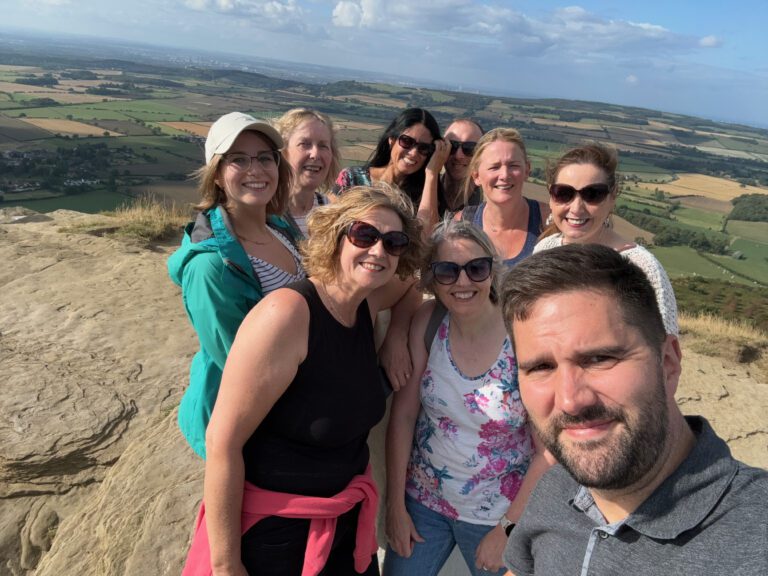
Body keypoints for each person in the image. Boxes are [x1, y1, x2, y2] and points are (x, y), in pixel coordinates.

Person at [181, 183, 425, 576]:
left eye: (393, 242)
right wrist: (227, 564)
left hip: (343, 522)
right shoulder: (287, 315)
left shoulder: (364, 304)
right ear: (335, 237)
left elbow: (413, 286)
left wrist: (396, 335)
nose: (378, 251)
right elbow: (223, 440)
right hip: (277, 536)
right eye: (364, 235)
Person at [499, 244, 768, 576]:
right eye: (541, 367)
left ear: (668, 362)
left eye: (600, 358)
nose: (570, 400)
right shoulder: (557, 486)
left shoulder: (754, 536)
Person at [384, 220, 551, 576]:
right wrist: (395, 506)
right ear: (433, 278)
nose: (463, 282)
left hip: (496, 516)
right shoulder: (428, 322)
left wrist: (508, 529)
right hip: (423, 505)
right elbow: (404, 416)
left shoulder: (522, 337)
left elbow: (546, 451)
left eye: (476, 268)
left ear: (492, 271)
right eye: (447, 271)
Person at [168, 111, 303, 459]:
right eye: (238, 159)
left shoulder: (280, 228)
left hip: (289, 394)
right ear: (216, 174)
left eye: (264, 158)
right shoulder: (211, 267)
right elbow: (239, 367)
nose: (255, 170)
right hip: (243, 427)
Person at [534, 143, 678, 334]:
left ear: (612, 197)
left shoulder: (643, 267)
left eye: (592, 194)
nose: (576, 208)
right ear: (551, 196)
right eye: (564, 193)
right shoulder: (545, 250)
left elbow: (664, 346)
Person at [333, 107, 450, 229]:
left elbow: (428, 237)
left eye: (423, 148)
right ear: (392, 140)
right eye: (407, 141)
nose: (414, 152)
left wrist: (432, 173)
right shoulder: (352, 179)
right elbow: (325, 223)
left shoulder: (425, 196)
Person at [456, 128, 548, 268]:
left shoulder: (547, 221)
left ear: (527, 170)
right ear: (477, 176)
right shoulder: (462, 223)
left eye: (513, 165)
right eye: (494, 167)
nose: (504, 175)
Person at [275, 108, 341, 237]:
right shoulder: (264, 213)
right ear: (283, 152)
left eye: (323, 146)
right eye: (304, 144)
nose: (315, 154)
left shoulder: (332, 214)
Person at [439, 119, 484, 215]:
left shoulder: (487, 206)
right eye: (452, 146)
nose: (458, 156)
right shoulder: (421, 191)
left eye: (469, 148)